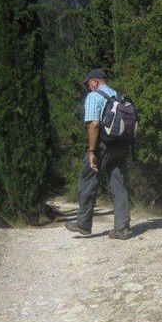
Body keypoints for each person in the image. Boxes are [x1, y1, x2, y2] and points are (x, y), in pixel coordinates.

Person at [65, 69, 132, 239]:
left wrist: (91, 151)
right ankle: (122, 228)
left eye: (88, 83)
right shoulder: (118, 95)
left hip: (103, 145)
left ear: (94, 81)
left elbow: (94, 125)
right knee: (119, 183)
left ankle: (83, 224)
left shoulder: (94, 96)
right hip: (121, 145)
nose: (88, 87)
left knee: (88, 180)